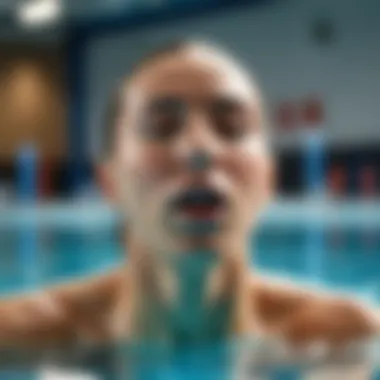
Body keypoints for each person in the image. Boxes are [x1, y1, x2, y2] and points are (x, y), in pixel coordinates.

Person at [0, 40, 378, 373]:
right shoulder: (19, 332)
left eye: (231, 127)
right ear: (109, 182)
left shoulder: (338, 332)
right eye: (161, 126)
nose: (200, 149)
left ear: (267, 180)